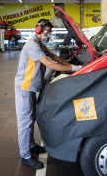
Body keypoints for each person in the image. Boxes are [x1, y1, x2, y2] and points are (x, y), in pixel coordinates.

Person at [14, 19, 81, 170]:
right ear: (38, 29)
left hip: (31, 87)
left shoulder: (39, 44)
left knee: (31, 118)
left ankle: (31, 145)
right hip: (24, 87)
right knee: (25, 121)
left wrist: (70, 63)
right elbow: (49, 64)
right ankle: (25, 156)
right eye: (47, 31)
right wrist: (72, 68)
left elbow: (53, 57)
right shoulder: (32, 45)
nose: (48, 34)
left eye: (50, 32)